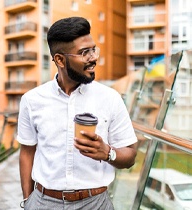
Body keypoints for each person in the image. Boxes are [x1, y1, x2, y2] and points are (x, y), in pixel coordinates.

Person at [17, 16, 137, 210]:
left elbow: (130, 156)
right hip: (43, 202)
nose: (93, 57)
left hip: (96, 203)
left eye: (93, 49)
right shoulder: (32, 100)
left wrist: (107, 153)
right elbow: (27, 152)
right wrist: (28, 201)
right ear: (59, 60)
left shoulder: (110, 98)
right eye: (84, 53)